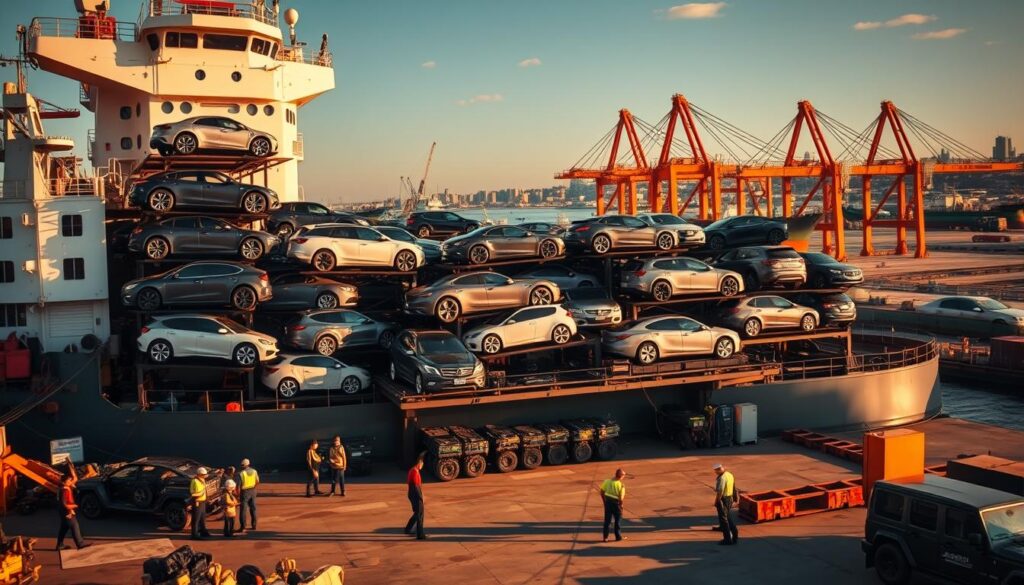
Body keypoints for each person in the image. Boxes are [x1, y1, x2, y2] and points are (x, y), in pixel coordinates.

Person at [56, 472, 90, 551]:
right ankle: (80, 544)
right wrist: (75, 506)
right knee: (75, 526)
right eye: (69, 480)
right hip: (67, 512)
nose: (71, 482)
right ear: (64, 482)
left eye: (70, 480)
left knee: (64, 528)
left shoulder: (64, 487)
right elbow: (65, 504)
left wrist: (70, 466)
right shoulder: (64, 490)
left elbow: (75, 478)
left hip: (63, 511)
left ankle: (59, 545)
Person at [597, 468, 626, 542]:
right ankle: (618, 537)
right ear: (621, 476)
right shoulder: (621, 485)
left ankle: (605, 538)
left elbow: (602, 492)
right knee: (617, 521)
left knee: (607, 521)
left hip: (608, 503)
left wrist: (604, 502)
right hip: (616, 504)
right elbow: (621, 498)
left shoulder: (606, 481)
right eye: (623, 475)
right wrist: (621, 505)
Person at [713, 463, 739, 545]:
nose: (715, 473)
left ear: (718, 470)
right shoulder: (729, 474)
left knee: (725, 518)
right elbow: (734, 487)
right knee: (724, 515)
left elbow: (720, 492)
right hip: (730, 498)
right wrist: (736, 497)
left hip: (724, 499)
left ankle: (728, 538)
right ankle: (723, 528)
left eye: (715, 471)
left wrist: (716, 501)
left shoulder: (722, 478)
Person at [404, 454, 426, 540]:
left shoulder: (413, 470)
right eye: (422, 464)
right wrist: (421, 498)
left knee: (417, 513)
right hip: (415, 496)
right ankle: (420, 535)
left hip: (412, 494)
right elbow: (416, 487)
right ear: (419, 463)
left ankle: (407, 529)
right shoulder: (415, 472)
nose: (422, 466)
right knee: (420, 514)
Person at [190, 467, 212, 540]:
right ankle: (194, 534)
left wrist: (207, 498)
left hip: (202, 501)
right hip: (197, 502)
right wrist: (201, 493)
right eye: (204, 475)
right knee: (196, 519)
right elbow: (192, 494)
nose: (205, 476)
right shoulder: (195, 481)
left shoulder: (202, 480)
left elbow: (205, 490)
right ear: (200, 474)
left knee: (202, 518)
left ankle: (203, 531)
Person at [238, 458, 259, 532]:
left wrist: (237, 495)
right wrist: (254, 489)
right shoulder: (254, 471)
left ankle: (243, 527)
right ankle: (254, 525)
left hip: (245, 492)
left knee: (243, 510)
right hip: (253, 491)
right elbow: (257, 482)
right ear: (249, 464)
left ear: (242, 465)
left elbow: (238, 486)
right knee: (253, 509)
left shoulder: (241, 473)